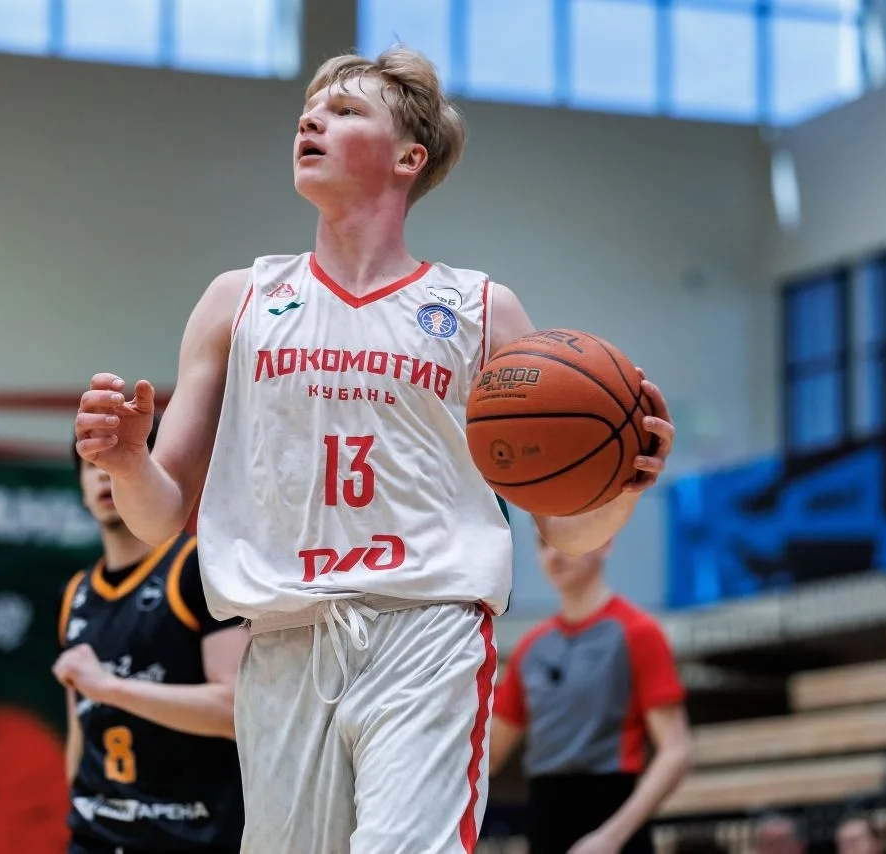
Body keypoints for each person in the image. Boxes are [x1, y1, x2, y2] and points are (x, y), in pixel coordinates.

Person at [74, 45, 675, 854]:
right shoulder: (237, 301)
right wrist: (127, 462)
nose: (311, 120)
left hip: (428, 628)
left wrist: (624, 482)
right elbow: (161, 516)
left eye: (345, 110)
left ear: (408, 158)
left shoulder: (480, 311)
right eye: (309, 110)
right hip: (284, 636)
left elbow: (564, 531)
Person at [54, 417, 249, 854]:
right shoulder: (74, 595)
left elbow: (235, 711)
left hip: (192, 836)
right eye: (92, 464)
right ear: (81, 488)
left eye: (118, 460)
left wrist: (111, 688)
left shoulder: (199, 567)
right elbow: (80, 734)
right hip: (96, 837)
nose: (103, 474)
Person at [489, 535, 693, 854]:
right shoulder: (530, 649)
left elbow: (676, 751)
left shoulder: (638, 632)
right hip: (545, 821)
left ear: (605, 541)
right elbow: (487, 756)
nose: (553, 554)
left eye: (564, 540)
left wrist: (612, 837)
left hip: (612, 822)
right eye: (543, 544)